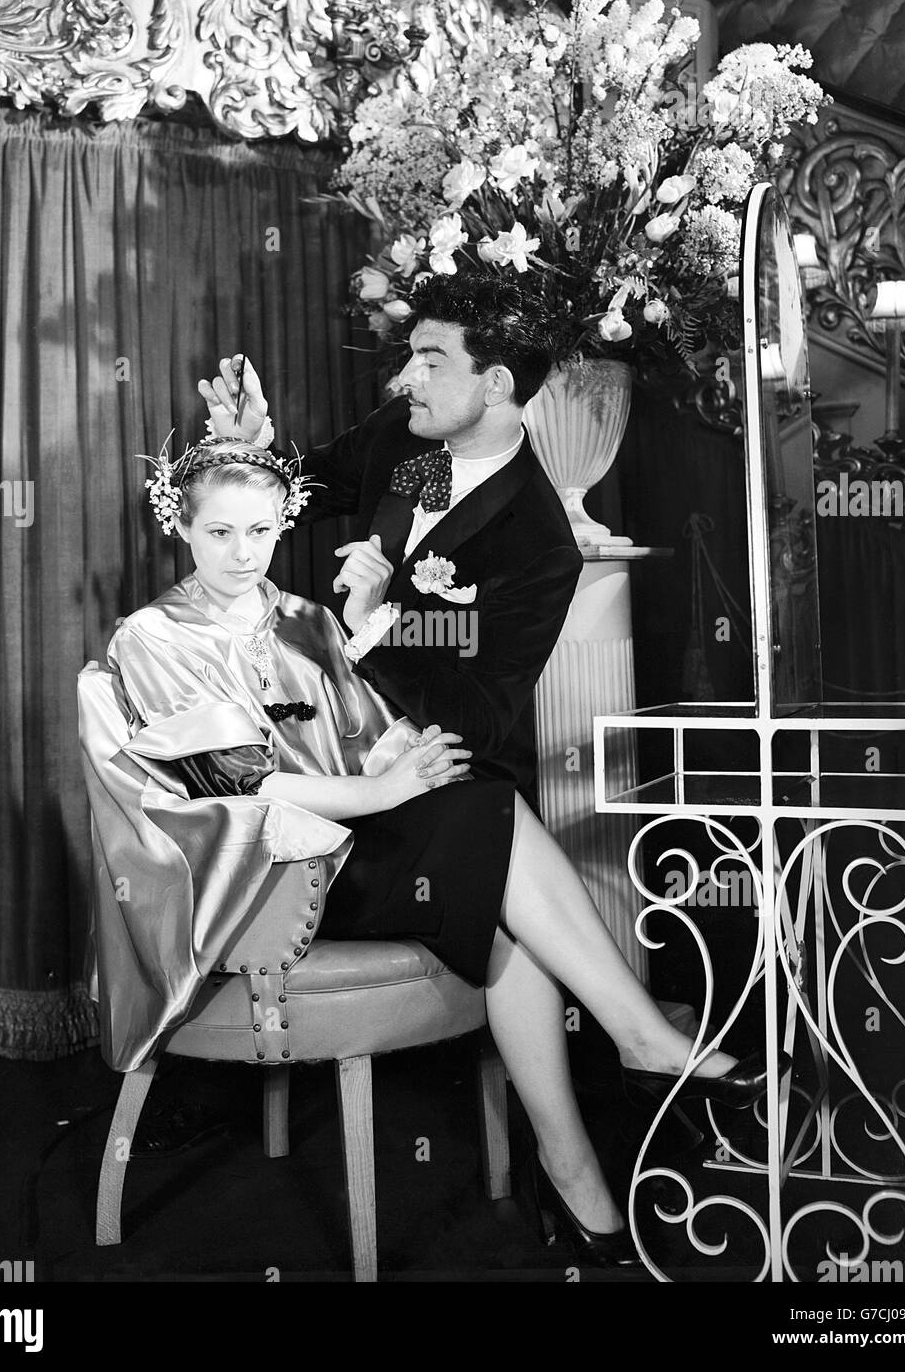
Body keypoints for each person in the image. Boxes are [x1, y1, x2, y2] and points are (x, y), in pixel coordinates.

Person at [101, 434, 776, 1269]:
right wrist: (384, 792)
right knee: (488, 824)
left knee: (495, 873)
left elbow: (365, 739)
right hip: (265, 876)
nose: (244, 554)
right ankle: (634, 1048)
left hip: (352, 846)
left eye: (261, 531)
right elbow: (235, 788)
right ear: (183, 530)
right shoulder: (152, 636)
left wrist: (397, 757)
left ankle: (577, 1176)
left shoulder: (306, 621)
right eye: (220, 534)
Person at [197, 271, 583, 810]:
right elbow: (296, 495)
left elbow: (478, 723)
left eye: (429, 361)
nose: (404, 379)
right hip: (319, 741)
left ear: (495, 385)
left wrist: (376, 622)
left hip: (441, 782)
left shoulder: (543, 544)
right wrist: (243, 446)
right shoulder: (398, 428)